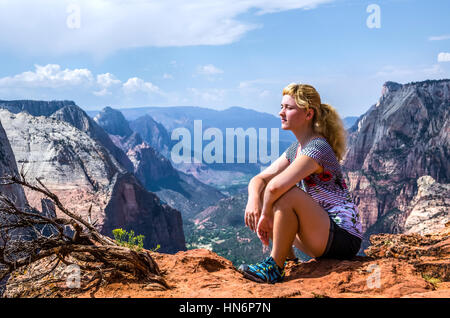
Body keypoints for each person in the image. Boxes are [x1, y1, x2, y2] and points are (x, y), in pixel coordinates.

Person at [238, 83, 363, 284]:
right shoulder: (297, 148)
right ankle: (288, 260)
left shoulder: (317, 147)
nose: (281, 113)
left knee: (286, 194)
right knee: (265, 193)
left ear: (308, 114)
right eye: (281, 107)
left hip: (343, 237)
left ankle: (274, 267)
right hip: (322, 233)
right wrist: (254, 201)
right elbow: (259, 180)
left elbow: (275, 187)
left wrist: (265, 214)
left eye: (289, 108)